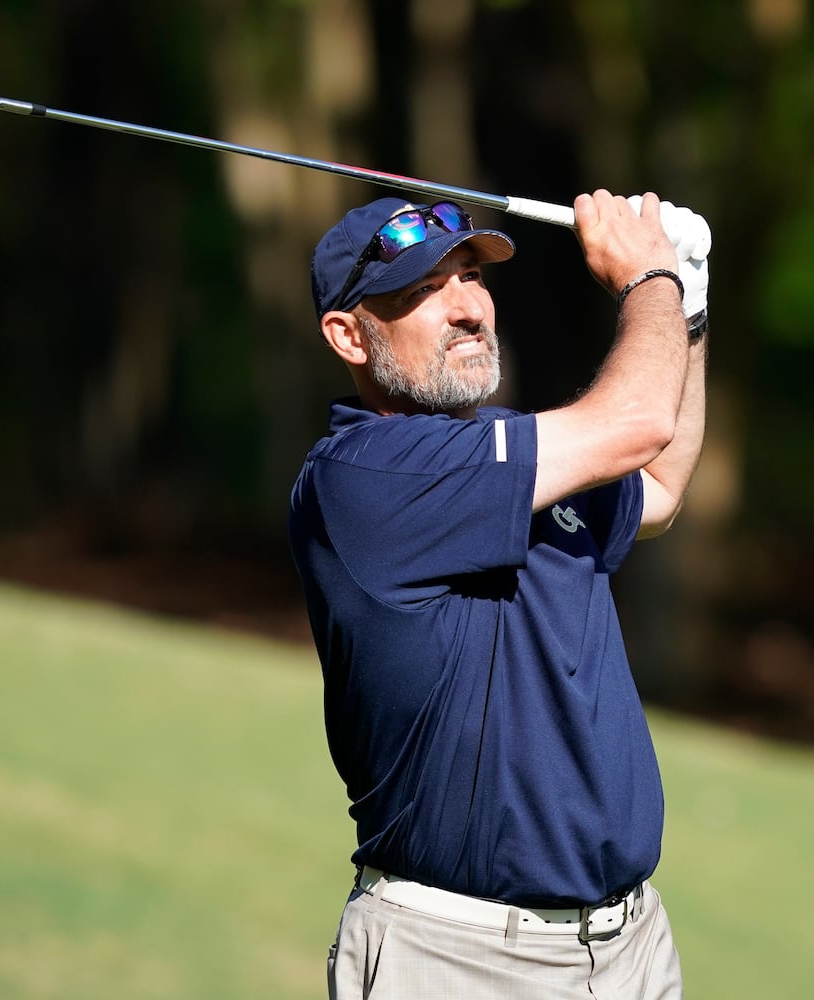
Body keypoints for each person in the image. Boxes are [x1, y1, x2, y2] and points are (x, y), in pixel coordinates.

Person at [289, 188, 710, 999]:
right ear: (348, 333)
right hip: (457, 957)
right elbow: (634, 427)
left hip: (627, 950)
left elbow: (656, 485)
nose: (466, 307)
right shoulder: (364, 475)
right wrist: (648, 277)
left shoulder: (510, 453)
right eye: (421, 291)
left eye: (471, 279)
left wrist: (686, 307)